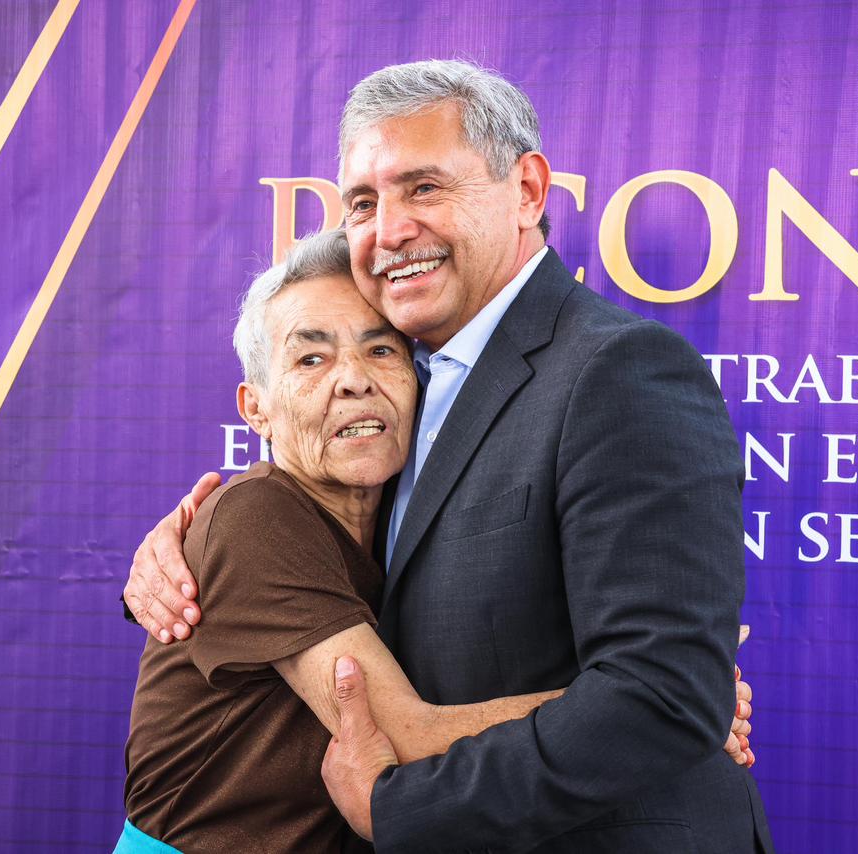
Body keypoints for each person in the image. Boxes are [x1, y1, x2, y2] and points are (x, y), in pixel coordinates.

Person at [128, 60, 772, 852]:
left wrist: (676, 697)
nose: (390, 229)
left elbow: (662, 691)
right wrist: (184, 546)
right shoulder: (403, 398)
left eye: (424, 187)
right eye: (363, 203)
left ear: (527, 190)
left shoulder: (617, 369)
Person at [121, 230, 565, 853]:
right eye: (311, 359)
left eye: (381, 350)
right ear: (257, 409)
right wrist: (644, 704)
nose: (355, 380)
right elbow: (404, 738)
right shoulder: (256, 516)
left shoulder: (406, 519)